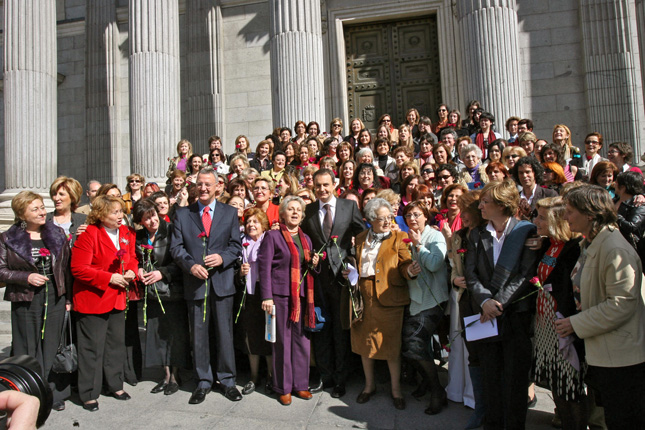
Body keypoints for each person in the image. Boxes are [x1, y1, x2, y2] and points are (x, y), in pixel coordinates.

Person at [557, 185, 645, 429]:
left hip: (621, 358)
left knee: (625, 420)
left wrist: (575, 323)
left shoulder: (614, 248)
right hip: (605, 352)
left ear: (590, 214)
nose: (565, 217)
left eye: (570, 211)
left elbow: (621, 303)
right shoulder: (593, 243)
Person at [464, 180, 541, 430]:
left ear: (502, 205)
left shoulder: (525, 231)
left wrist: (499, 302)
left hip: (515, 316)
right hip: (486, 316)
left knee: (515, 379)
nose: (481, 206)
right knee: (490, 377)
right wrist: (485, 301)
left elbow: (525, 273)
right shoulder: (477, 233)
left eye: (485, 202)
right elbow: (471, 273)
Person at [170, 166, 243, 405]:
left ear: (217, 187)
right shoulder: (182, 214)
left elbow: (235, 246)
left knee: (224, 333)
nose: (203, 188)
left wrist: (223, 258)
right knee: (198, 336)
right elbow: (176, 248)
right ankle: (203, 381)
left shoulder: (229, 213)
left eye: (207, 184)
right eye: (199, 184)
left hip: (222, 283)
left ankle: (228, 380)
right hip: (195, 283)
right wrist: (190, 266)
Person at [0, 191, 72, 412]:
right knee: (27, 346)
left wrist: (68, 297)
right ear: (22, 214)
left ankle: (51, 392)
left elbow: (66, 269)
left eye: (42, 207)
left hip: (54, 295)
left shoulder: (57, 233)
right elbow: (1, 271)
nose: (42, 212)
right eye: (36, 209)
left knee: (51, 343)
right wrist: (26, 277)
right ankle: (27, 392)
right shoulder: (8, 238)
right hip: (25, 298)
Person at [301, 168, 365, 398]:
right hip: (317, 279)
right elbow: (303, 241)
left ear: (334, 184)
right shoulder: (308, 210)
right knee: (321, 328)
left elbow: (363, 234)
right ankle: (324, 376)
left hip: (342, 278)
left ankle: (340, 379)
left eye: (326, 185)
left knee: (340, 330)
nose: (322, 190)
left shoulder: (349, 207)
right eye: (317, 186)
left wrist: (353, 261)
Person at [71, 195, 138, 411]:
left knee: (114, 345)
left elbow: (133, 258)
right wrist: (108, 278)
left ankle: (115, 384)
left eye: (121, 211)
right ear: (101, 214)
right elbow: (79, 268)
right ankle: (89, 393)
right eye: (114, 212)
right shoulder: (89, 234)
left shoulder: (126, 233)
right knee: (92, 348)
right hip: (93, 299)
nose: (120, 216)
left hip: (117, 298)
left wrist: (131, 271)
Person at [346, 198, 414, 410]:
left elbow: (405, 263)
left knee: (391, 346)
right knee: (366, 344)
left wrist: (409, 271)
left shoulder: (399, 237)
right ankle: (369, 386)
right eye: (381, 218)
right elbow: (356, 263)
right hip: (364, 298)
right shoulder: (360, 238)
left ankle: (396, 390)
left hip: (389, 297)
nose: (387, 222)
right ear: (370, 220)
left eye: (389, 217)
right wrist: (349, 273)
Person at [258, 196, 319, 405]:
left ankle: (301, 385)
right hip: (280, 296)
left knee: (302, 341)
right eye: (290, 209)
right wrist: (266, 296)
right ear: (282, 214)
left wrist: (314, 262)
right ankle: (283, 387)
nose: (295, 213)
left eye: (298, 210)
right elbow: (264, 268)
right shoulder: (272, 236)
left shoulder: (306, 239)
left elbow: (308, 269)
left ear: (302, 216)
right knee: (282, 342)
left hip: (301, 297)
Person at [532, 197, 585, 430]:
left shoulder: (574, 247)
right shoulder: (547, 244)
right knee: (556, 382)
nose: (536, 220)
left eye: (542, 217)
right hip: (545, 322)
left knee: (569, 385)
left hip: (563, 323)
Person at [133, 199, 190, 396]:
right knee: (157, 334)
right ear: (140, 221)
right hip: (151, 292)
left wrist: (163, 272)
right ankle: (164, 375)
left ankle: (175, 375)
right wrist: (138, 268)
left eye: (153, 215)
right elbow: (134, 258)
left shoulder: (172, 230)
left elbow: (181, 259)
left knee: (175, 334)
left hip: (172, 290)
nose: (151, 221)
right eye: (146, 218)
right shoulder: (140, 237)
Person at [401, 201, 449, 415]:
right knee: (414, 347)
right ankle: (427, 383)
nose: (412, 218)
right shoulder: (406, 238)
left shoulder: (434, 236)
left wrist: (419, 245)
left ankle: (437, 390)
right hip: (414, 300)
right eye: (409, 215)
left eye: (417, 214)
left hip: (434, 301)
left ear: (426, 216)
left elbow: (435, 264)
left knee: (414, 341)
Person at [449, 191, 484, 429]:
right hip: (464, 300)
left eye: (466, 210)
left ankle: (484, 404)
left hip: (484, 302)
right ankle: (479, 406)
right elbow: (454, 266)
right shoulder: (459, 236)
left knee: (485, 353)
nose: (463, 215)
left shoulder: (485, 235)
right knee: (473, 353)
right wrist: (454, 280)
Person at [235, 208, 273, 395]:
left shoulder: (270, 240)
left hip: (266, 293)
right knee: (251, 335)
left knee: (269, 334)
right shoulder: (241, 242)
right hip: (248, 294)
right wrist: (239, 273)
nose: (251, 225)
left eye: (256, 221)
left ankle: (271, 377)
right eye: (249, 221)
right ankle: (254, 376)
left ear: (263, 224)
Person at [46, 176, 88, 245]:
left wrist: (89, 233)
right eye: (54, 194)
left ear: (72, 197)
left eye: (61, 194)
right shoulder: (45, 219)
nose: (56, 198)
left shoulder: (83, 220)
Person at [614, 171, 645, 252]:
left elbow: (632, 226)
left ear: (623, 187)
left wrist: (614, 215)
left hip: (630, 249)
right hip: (612, 244)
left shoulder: (638, 205)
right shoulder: (613, 201)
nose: (614, 184)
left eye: (617, 183)